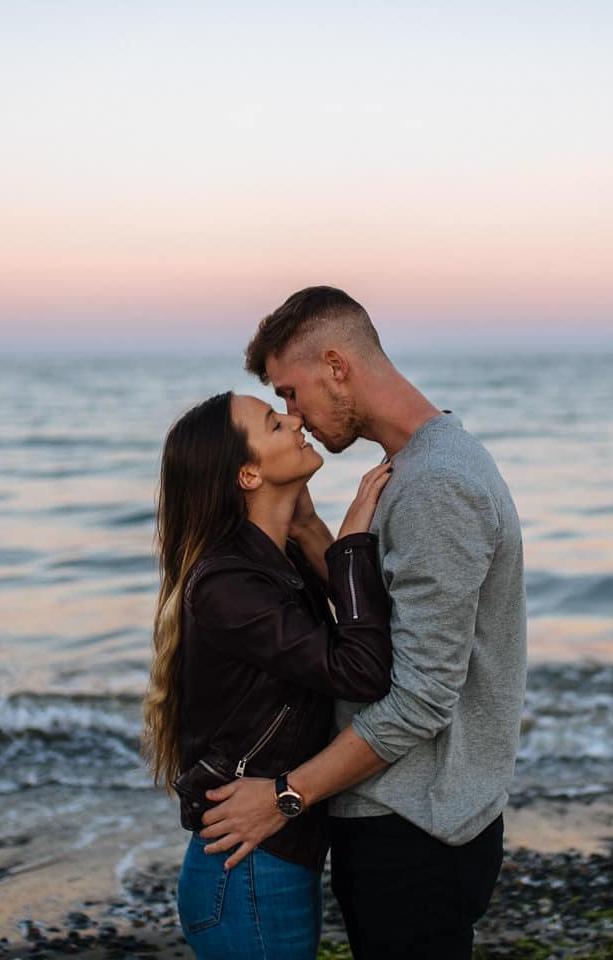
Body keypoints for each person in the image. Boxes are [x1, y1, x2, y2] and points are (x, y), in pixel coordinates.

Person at [198, 287, 528, 959]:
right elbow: (372, 625)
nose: (294, 416)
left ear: (337, 366)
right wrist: (318, 528)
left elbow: (420, 699)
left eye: (292, 392)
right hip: (406, 813)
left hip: (415, 826)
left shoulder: (435, 485)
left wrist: (285, 798)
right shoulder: (410, 468)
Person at [142, 389, 394, 959]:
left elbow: (352, 645)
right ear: (249, 474)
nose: (296, 419)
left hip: (263, 861)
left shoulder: (270, 562)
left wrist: (314, 535)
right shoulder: (230, 583)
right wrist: (351, 545)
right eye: (274, 424)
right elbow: (363, 672)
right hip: (247, 869)